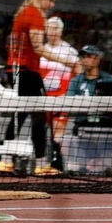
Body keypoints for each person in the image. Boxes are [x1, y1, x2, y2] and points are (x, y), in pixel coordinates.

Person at [0, 0, 76, 176]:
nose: (52, 4)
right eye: (50, 0)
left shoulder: (25, 12)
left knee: (21, 113)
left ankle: (6, 161)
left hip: (16, 69)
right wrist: (66, 61)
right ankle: (41, 164)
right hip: (26, 70)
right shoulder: (34, 14)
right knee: (39, 116)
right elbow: (38, 48)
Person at [39, 17, 79, 154]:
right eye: (49, 28)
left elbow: (78, 75)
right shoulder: (40, 51)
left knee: (58, 131)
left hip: (61, 98)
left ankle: (57, 161)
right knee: (42, 131)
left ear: (61, 31)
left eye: (55, 28)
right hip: (43, 99)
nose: (52, 31)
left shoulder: (70, 51)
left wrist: (69, 94)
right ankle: (44, 161)